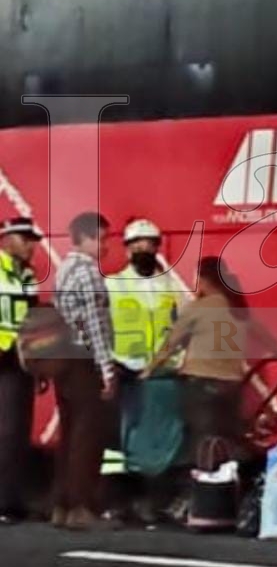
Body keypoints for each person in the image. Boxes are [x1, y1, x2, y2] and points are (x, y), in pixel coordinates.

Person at [145, 256, 277, 462]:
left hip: (200, 384)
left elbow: (170, 346)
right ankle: (226, 484)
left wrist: (149, 370)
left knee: (201, 440)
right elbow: (265, 337)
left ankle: (204, 487)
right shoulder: (238, 309)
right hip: (231, 386)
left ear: (204, 280)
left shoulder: (198, 309)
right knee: (226, 439)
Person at [104, 218, 184, 524]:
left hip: (160, 374)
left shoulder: (169, 286)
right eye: (136, 244)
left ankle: (153, 503)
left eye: (149, 243)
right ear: (126, 250)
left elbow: (179, 327)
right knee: (120, 442)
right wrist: (108, 363)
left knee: (158, 441)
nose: (143, 248)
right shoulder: (112, 284)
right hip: (123, 370)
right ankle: (117, 502)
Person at [53, 211, 117, 530]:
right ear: (86, 238)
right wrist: (106, 369)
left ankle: (63, 505)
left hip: (64, 359)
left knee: (69, 434)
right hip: (85, 362)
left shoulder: (64, 270)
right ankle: (82, 507)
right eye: (102, 239)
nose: (106, 246)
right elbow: (94, 325)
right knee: (87, 437)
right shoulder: (89, 273)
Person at [0, 218, 42, 524]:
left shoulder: (29, 275)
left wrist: (38, 364)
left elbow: (35, 324)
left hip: (19, 366)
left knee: (15, 436)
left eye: (33, 239)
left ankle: (10, 501)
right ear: (7, 239)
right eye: (25, 238)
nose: (32, 245)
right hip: (4, 361)